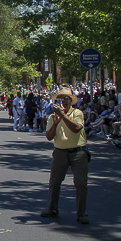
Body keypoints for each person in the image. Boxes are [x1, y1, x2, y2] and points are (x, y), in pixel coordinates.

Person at [41, 87, 90, 225]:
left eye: (66, 98)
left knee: (81, 183)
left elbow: (76, 128)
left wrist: (62, 116)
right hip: (60, 152)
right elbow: (49, 137)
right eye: (60, 99)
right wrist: (55, 123)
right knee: (54, 182)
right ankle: (52, 208)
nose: (63, 101)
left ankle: (81, 213)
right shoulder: (52, 117)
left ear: (71, 101)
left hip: (78, 152)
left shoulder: (77, 113)